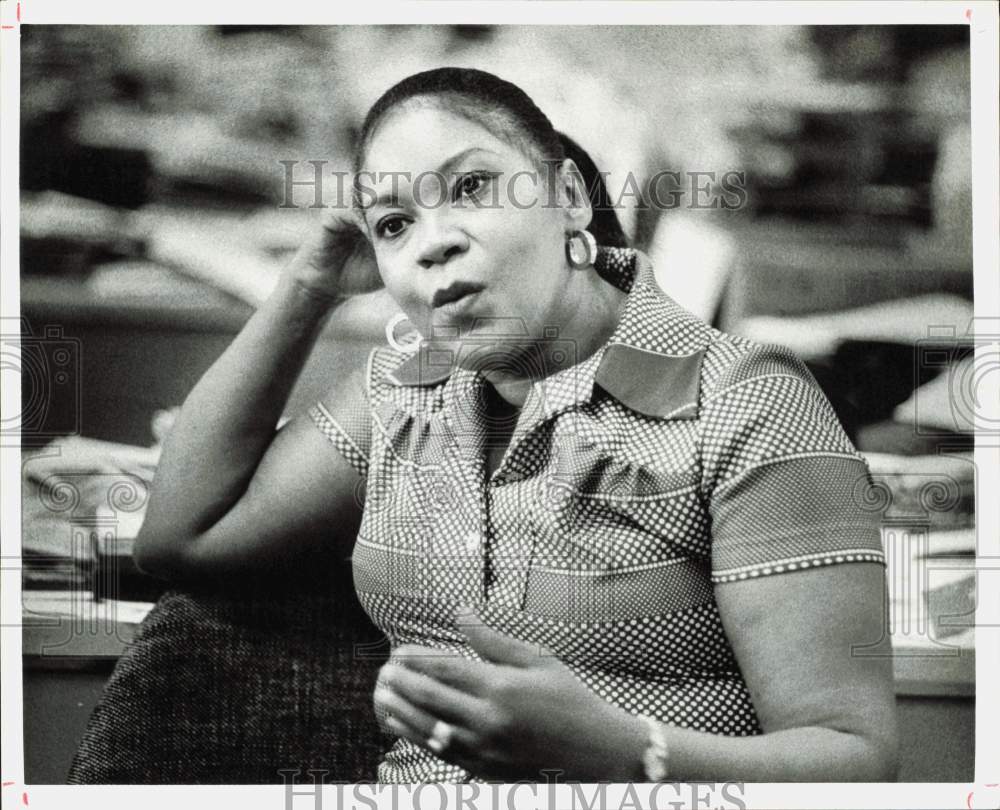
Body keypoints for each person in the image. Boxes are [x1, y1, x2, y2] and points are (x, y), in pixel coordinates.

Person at [135, 67, 899, 783]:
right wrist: (307, 286)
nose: (432, 241)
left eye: (471, 187)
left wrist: (621, 751)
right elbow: (183, 536)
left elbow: (856, 760)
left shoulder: (745, 401)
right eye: (394, 224)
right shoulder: (408, 389)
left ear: (568, 196)